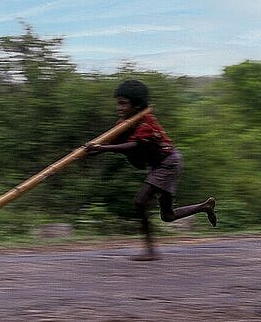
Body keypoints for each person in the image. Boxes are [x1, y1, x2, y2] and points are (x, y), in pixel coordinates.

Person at [86, 80, 216, 261]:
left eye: (123, 103)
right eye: (118, 103)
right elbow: (111, 141)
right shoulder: (124, 123)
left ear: (137, 105)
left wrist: (103, 149)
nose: (119, 107)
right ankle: (205, 206)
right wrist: (91, 150)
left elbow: (134, 145)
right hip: (159, 166)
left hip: (169, 163)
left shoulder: (147, 122)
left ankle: (151, 251)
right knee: (168, 215)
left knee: (140, 201)